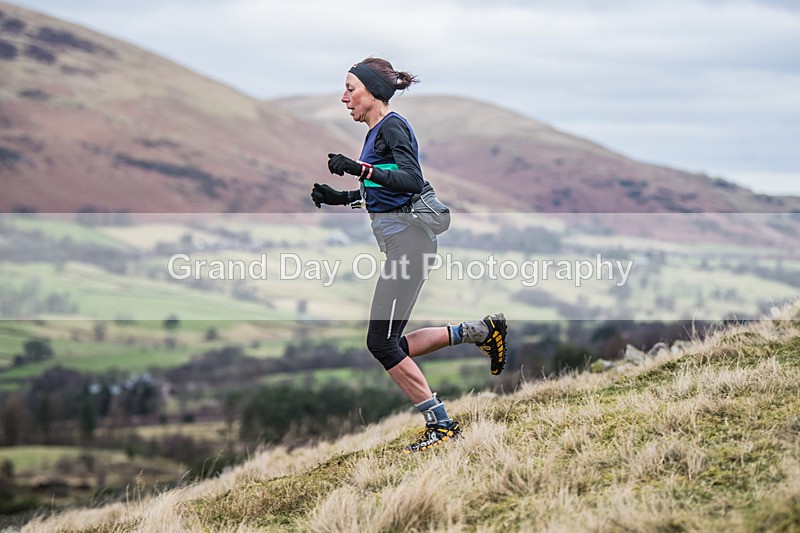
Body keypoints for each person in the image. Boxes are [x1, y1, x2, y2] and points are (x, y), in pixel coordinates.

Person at [310, 57, 507, 453]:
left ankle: (442, 425)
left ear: (372, 92)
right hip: (403, 246)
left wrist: (358, 169)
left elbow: (411, 180)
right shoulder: (374, 134)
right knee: (391, 342)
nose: (344, 97)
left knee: (381, 344)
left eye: (350, 88)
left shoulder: (393, 125)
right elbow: (388, 192)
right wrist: (343, 197)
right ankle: (482, 331)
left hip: (411, 246)